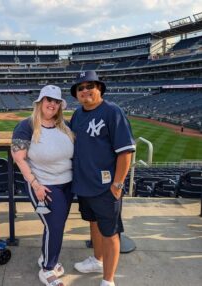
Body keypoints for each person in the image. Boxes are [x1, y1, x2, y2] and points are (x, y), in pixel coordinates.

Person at [69, 71, 135, 286]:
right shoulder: (78, 115)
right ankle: (96, 260)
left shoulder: (112, 111)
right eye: (80, 88)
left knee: (110, 232)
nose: (85, 90)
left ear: (100, 89)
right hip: (85, 184)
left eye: (90, 86)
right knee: (94, 224)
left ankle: (108, 280)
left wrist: (117, 184)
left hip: (106, 186)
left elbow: (125, 151)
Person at [11, 85, 74, 286]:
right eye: (49, 100)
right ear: (39, 102)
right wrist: (35, 184)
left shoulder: (64, 125)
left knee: (56, 226)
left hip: (67, 185)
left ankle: (46, 257)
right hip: (44, 185)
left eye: (56, 101)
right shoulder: (26, 126)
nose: (52, 104)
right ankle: (47, 269)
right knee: (54, 226)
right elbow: (19, 159)